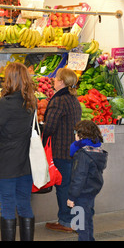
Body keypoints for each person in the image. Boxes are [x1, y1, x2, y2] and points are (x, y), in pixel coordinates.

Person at [0, 62, 37, 241]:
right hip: (26, 163)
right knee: (24, 205)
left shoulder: (5, 104)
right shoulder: (31, 102)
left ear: (10, 80)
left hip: (7, 163)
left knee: (7, 206)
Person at [43, 68, 82, 233]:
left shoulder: (59, 100)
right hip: (73, 150)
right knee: (72, 185)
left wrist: (42, 140)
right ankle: (76, 221)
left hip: (60, 150)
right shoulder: (74, 99)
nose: (53, 80)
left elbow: (50, 126)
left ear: (61, 82)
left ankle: (66, 221)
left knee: (63, 186)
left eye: (56, 78)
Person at [67, 120, 108, 241]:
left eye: (75, 132)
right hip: (91, 192)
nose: (74, 135)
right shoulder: (97, 152)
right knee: (88, 219)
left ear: (80, 135)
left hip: (81, 194)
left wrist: (71, 197)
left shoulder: (82, 154)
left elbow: (79, 177)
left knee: (80, 225)